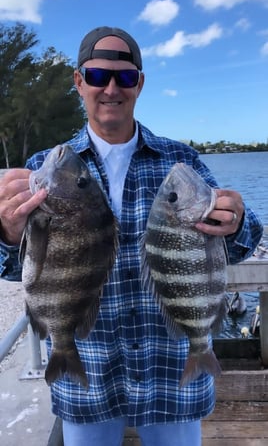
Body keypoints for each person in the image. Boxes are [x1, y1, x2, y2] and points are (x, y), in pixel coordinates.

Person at [0, 26, 263, 446]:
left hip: (172, 378)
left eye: (123, 78)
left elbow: (242, 242)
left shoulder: (183, 162)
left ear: (139, 84)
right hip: (87, 377)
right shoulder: (41, 170)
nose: (110, 88)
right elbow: (16, 269)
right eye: (97, 75)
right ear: (78, 81)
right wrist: (9, 235)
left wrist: (238, 218)